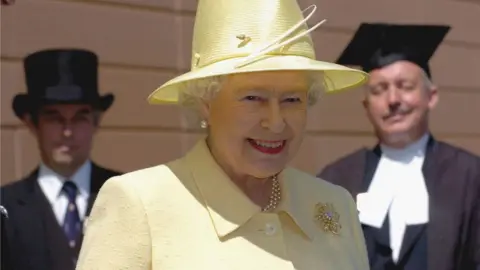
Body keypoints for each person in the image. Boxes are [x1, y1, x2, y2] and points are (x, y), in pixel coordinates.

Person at [75, 1, 371, 269]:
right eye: (253, 98)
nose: (276, 122)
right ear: (206, 103)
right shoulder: (140, 205)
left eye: (292, 100)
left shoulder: (334, 203)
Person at [318, 23, 480, 270]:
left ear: (431, 96)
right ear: (366, 106)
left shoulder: (469, 175)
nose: (393, 100)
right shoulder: (337, 179)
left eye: (405, 86)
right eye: (379, 90)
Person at [0, 48, 123, 270]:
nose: (67, 131)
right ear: (32, 123)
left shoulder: (125, 194)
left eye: (79, 117)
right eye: (54, 118)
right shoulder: (5, 206)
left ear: (96, 122)